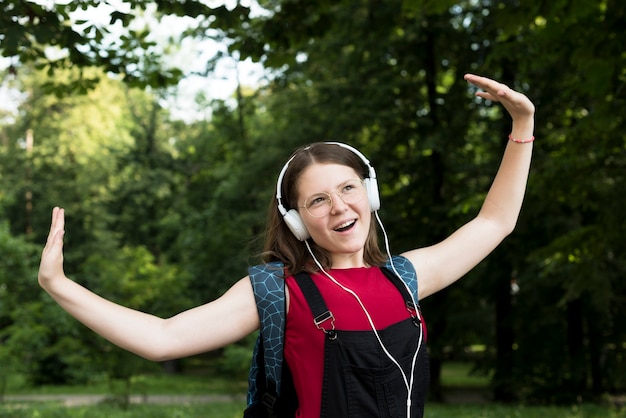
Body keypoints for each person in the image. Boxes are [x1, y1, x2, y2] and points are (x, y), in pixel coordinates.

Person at [38, 73, 535, 418]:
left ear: (370, 195)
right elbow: (162, 338)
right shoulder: (278, 291)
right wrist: (59, 286)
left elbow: (495, 221)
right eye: (317, 200)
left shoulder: (406, 278)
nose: (339, 207)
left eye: (347, 189)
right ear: (297, 220)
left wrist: (522, 125)